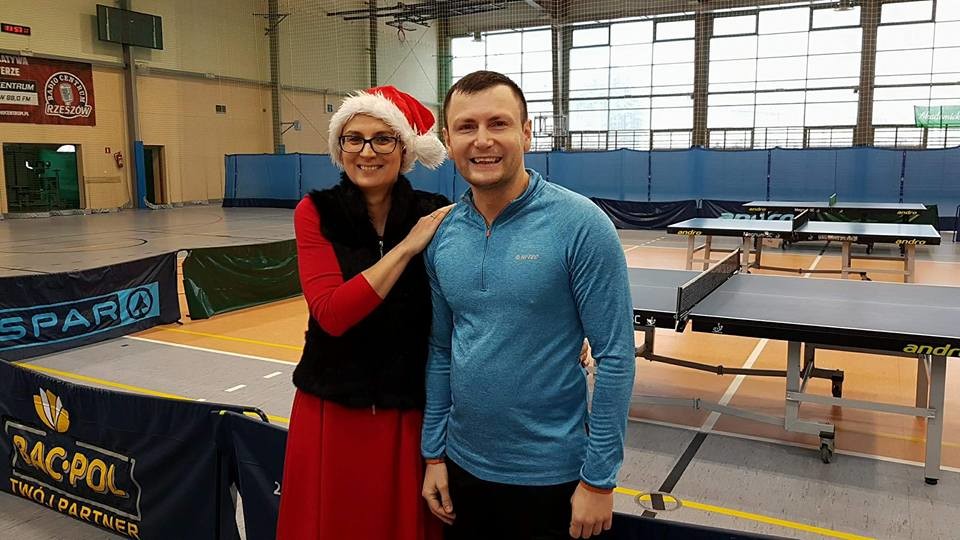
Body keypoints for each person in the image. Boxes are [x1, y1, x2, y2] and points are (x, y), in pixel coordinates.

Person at [420, 70, 636, 540]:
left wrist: (599, 480)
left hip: (554, 478)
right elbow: (440, 351)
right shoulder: (442, 235)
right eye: (466, 127)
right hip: (462, 470)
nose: (482, 140)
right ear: (448, 140)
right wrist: (433, 454)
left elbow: (616, 356)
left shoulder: (582, 224)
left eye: (497, 123)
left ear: (526, 132)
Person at [276, 85, 452, 540]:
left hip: (408, 411)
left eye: (382, 139)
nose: (367, 152)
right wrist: (407, 248)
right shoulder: (315, 212)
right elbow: (332, 314)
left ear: (405, 148)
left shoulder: (435, 213)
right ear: (339, 148)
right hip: (332, 409)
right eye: (353, 138)